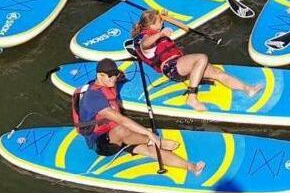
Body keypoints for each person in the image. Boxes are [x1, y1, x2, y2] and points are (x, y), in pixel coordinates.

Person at [72, 58, 205, 175]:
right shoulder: (93, 97)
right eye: (110, 77)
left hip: (118, 134)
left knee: (150, 150)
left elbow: (119, 79)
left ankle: (192, 167)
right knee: (124, 130)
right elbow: (121, 120)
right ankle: (155, 141)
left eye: (115, 75)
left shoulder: (109, 81)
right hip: (103, 143)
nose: (113, 79)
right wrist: (150, 135)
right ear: (100, 75)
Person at [131, 9, 261, 112]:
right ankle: (191, 98)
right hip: (171, 68)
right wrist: (160, 34)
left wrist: (165, 17)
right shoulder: (144, 37)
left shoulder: (155, 29)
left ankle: (247, 89)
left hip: (180, 64)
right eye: (160, 21)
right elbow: (145, 44)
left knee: (217, 73)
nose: (163, 23)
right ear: (153, 25)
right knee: (201, 58)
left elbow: (179, 26)